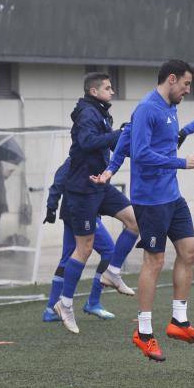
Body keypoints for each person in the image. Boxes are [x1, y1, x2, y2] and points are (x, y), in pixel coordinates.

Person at [103, 60, 194, 361]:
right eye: (186, 84)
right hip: (150, 199)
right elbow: (141, 153)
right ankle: (143, 332)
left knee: (189, 251)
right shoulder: (148, 108)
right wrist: (181, 162)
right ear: (171, 79)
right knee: (154, 261)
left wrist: (109, 170)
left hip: (171, 196)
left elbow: (129, 141)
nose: (188, 90)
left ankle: (178, 321)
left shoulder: (170, 106)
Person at [53, 72, 139, 334]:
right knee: (84, 248)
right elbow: (87, 142)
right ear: (93, 91)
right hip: (81, 190)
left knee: (135, 221)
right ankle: (63, 304)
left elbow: (107, 143)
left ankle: (112, 272)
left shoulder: (100, 111)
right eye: (108, 88)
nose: (112, 91)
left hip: (100, 184)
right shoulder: (87, 113)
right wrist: (117, 134)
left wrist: (124, 135)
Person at [42, 158, 115, 322]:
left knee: (67, 257)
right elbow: (59, 180)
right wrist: (51, 207)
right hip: (80, 213)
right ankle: (93, 302)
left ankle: (51, 309)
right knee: (110, 251)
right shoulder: (79, 156)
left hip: (75, 213)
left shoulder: (98, 156)